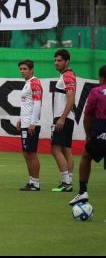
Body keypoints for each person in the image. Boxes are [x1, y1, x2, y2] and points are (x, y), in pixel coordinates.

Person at [69, 65, 106, 206]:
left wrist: (88, 135)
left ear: (101, 78)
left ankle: (83, 191)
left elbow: (87, 116)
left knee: (86, 155)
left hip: (101, 127)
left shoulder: (96, 92)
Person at [51, 49, 76, 193]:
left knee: (55, 149)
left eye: (59, 60)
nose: (56, 63)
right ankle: (68, 180)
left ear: (67, 62)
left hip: (63, 117)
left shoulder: (67, 76)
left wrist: (61, 118)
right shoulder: (66, 76)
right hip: (65, 116)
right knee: (66, 149)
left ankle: (66, 183)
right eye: (55, 60)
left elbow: (71, 97)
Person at [16, 60, 43, 191]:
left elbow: (37, 103)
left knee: (31, 153)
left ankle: (35, 183)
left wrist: (32, 123)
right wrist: (21, 119)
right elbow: (27, 104)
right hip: (26, 123)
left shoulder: (34, 82)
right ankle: (31, 181)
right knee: (26, 153)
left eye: (25, 69)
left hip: (31, 125)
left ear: (32, 69)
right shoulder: (27, 84)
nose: (22, 71)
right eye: (20, 69)